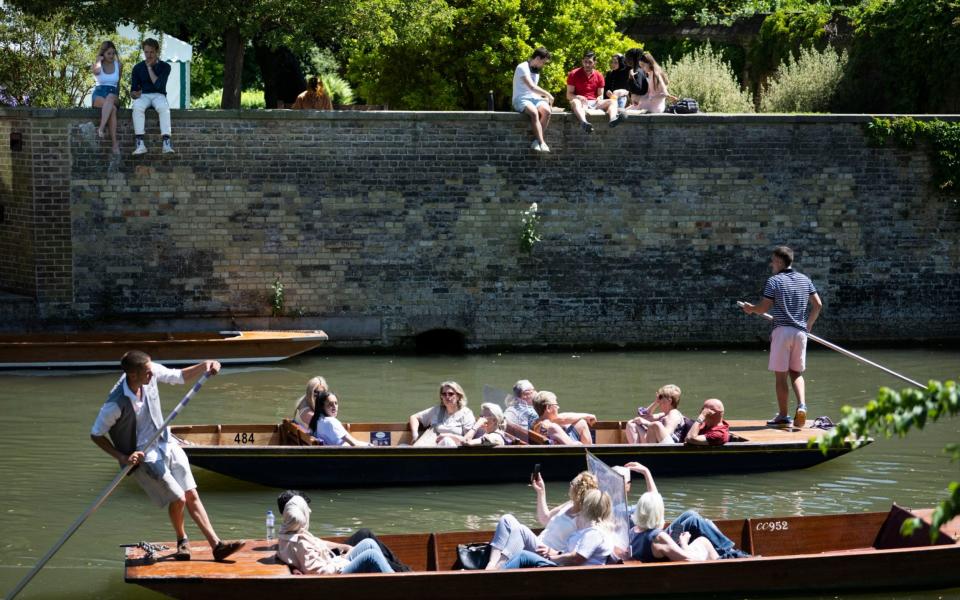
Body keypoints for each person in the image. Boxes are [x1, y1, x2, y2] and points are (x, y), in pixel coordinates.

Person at [90, 350, 244, 562]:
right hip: (144, 455)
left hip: (166, 442)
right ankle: (182, 540)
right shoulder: (114, 404)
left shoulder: (149, 371)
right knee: (178, 497)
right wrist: (123, 457)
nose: (152, 374)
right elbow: (96, 434)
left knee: (191, 494)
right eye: (147, 372)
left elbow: (178, 376)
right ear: (133, 375)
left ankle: (216, 545)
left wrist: (205, 364)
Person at [741, 245, 823, 427]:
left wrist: (750, 309)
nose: (771, 264)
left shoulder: (774, 281)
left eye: (773, 261)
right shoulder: (805, 279)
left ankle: (783, 415)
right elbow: (818, 305)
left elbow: (763, 308)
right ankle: (802, 406)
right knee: (796, 373)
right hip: (801, 333)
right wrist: (808, 325)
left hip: (782, 331)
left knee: (781, 377)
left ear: (779, 261)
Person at [623, 462, 750, 560]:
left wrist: (646, 472)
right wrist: (684, 543)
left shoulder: (634, 530)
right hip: (666, 554)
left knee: (691, 515)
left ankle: (731, 551)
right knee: (702, 538)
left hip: (656, 543)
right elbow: (687, 559)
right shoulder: (658, 536)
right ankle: (732, 555)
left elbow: (653, 501)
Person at [485, 470, 599, 569]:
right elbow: (545, 519)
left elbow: (578, 548)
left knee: (521, 530)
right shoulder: (569, 504)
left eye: (572, 484)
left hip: (548, 554)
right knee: (507, 519)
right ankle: (491, 565)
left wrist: (556, 553)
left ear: (578, 491)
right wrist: (541, 492)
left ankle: (499, 569)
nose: (569, 486)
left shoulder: (584, 517)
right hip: (538, 543)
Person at [276, 490, 411, 572]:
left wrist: (342, 550)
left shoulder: (289, 532)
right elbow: (319, 573)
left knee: (368, 542)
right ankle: (401, 583)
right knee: (371, 555)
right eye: (306, 509)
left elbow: (315, 545)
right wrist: (341, 561)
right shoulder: (300, 542)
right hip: (334, 572)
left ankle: (400, 572)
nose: (310, 511)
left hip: (331, 563)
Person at [502, 489, 615, 569]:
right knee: (523, 553)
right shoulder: (590, 531)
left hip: (569, 574)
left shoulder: (594, 533)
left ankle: (494, 577)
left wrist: (552, 558)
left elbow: (577, 558)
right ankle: (497, 572)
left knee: (523, 556)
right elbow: (573, 555)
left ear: (588, 508)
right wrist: (553, 552)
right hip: (565, 568)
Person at [130, 38, 174, 155]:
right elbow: (133, 90)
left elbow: (159, 85)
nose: (148, 55)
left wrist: (149, 68)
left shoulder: (165, 67)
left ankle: (166, 143)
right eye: (146, 52)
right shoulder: (137, 68)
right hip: (144, 95)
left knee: (164, 108)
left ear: (157, 52)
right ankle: (140, 144)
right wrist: (135, 94)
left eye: (151, 52)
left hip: (159, 95)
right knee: (137, 106)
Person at [566, 50, 624, 132]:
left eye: (590, 62)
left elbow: (600, 95)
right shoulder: (573, 74)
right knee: (575, 101)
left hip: (594, 102)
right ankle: (584, 122)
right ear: (582, 61)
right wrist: (578, 97)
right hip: (580, 103)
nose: (587, 65)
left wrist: (599, 98)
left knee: (613, 101)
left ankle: (613, 119)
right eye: (585, 62)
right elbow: (569, 95)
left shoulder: (599, 75)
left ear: (594, 63)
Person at [511, 47, 555, 153]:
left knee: (547, 111)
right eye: (543, 62)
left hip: (533, 98)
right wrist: (548, 94)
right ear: (538, 58)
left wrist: (543, 98)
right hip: (520, 98)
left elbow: (533, 91)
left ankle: (536, 141)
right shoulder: (522, 67)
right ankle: (542, 142)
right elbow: (531, 87)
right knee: (534, 113)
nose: (543, 65)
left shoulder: (536, 70)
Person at [408, 381, 476, 446]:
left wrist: (449, 436)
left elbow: (467, 440)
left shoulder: (466, 414)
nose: (447, 397)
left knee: (447, 441)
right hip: (433, 447)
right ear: (441, 397)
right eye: (444, 394)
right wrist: (415, 434)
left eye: (450, 394)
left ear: (458, 396)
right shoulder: (437, 410)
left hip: (456, 450)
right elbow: (414, 417)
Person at [531, 390, 596, 445]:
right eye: (556, 405)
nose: (558, 407)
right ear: (548, 408)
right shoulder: (553, 428)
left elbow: (563, 418)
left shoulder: (537, 423)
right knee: (582, 423)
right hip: (570, 456)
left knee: (580, 423)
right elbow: (574, 448)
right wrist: (578, 443)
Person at [91, 40, 122, 153]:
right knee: (112, 109)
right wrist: (98, 61)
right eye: (109, 53)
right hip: (99, 94)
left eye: (113, 53)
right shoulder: (96, 65)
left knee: (111, 97)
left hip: (113, 94)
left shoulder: (118, 65)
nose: (111, 56)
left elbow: (118, 84)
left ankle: (101, 128)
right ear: (103, 53)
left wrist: (116, 97)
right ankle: (114, 144)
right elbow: (97, 72)